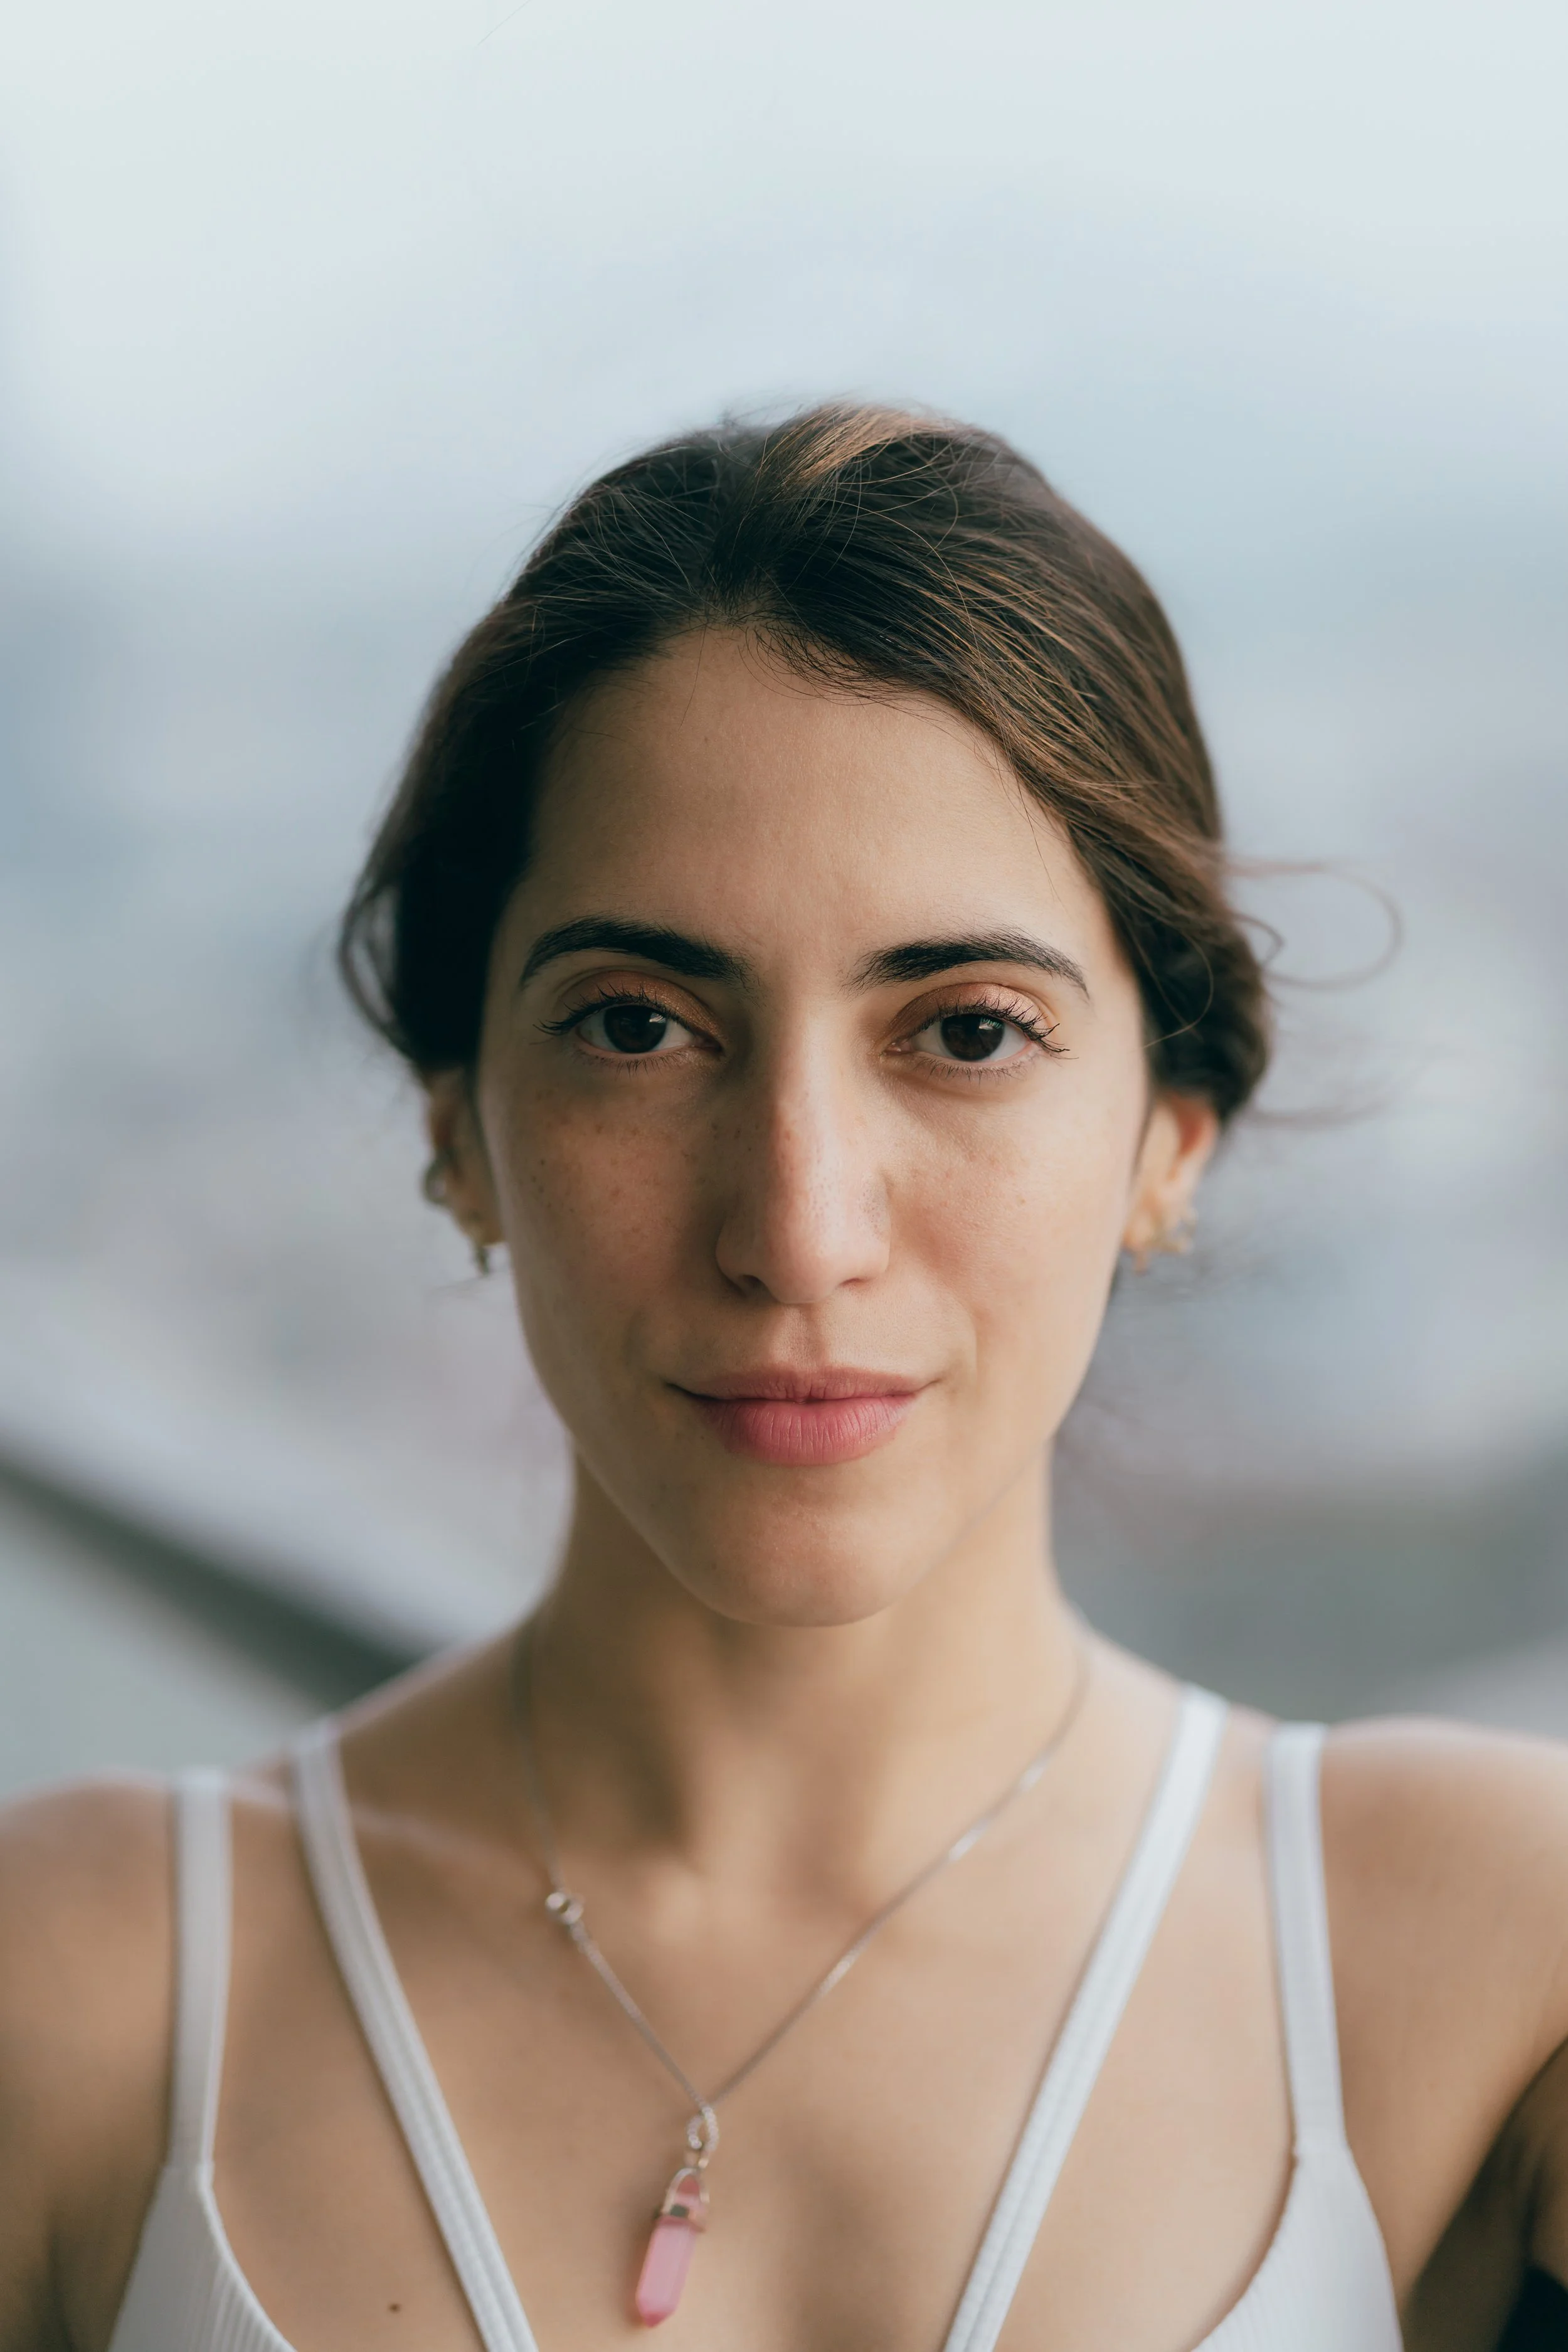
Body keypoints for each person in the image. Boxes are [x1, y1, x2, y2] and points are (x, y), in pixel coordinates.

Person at [1, 405, 1565, 2352]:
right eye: (640, 1024)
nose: (799, 1226)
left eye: (966, 1029)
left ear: (1168, 1136)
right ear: (458, 1127)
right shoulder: (76, 1989)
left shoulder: (1485, 1948)